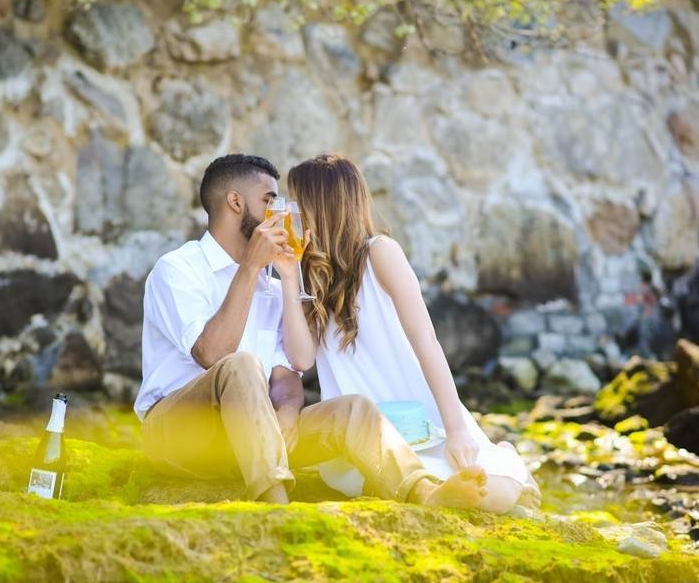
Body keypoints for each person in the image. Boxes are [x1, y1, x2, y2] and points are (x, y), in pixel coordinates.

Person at [135, 153, 488, 507]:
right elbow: (212, 355)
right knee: (241, 364)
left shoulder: (271, 287)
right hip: (181, 436)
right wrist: (251, 265)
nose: (282, 212)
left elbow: (287, 374)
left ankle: (425, 492)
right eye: (269, 200)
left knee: (355, 409)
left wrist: (288, 411)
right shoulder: (178, 269)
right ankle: (276, 503)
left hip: (254, 440)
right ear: (235, 202)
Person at [288, 153, 541, 513]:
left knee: (482, 493)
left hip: (418, 420)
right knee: (356, 482)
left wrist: (455, 429)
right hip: (359, 432)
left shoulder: (380, 253)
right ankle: (508, 472)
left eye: (298, 203)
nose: (291, 214)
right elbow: (301, 358)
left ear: (322, 205)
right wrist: (286, 276)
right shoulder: (308, 272)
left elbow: (427, 342)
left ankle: (509, 465)